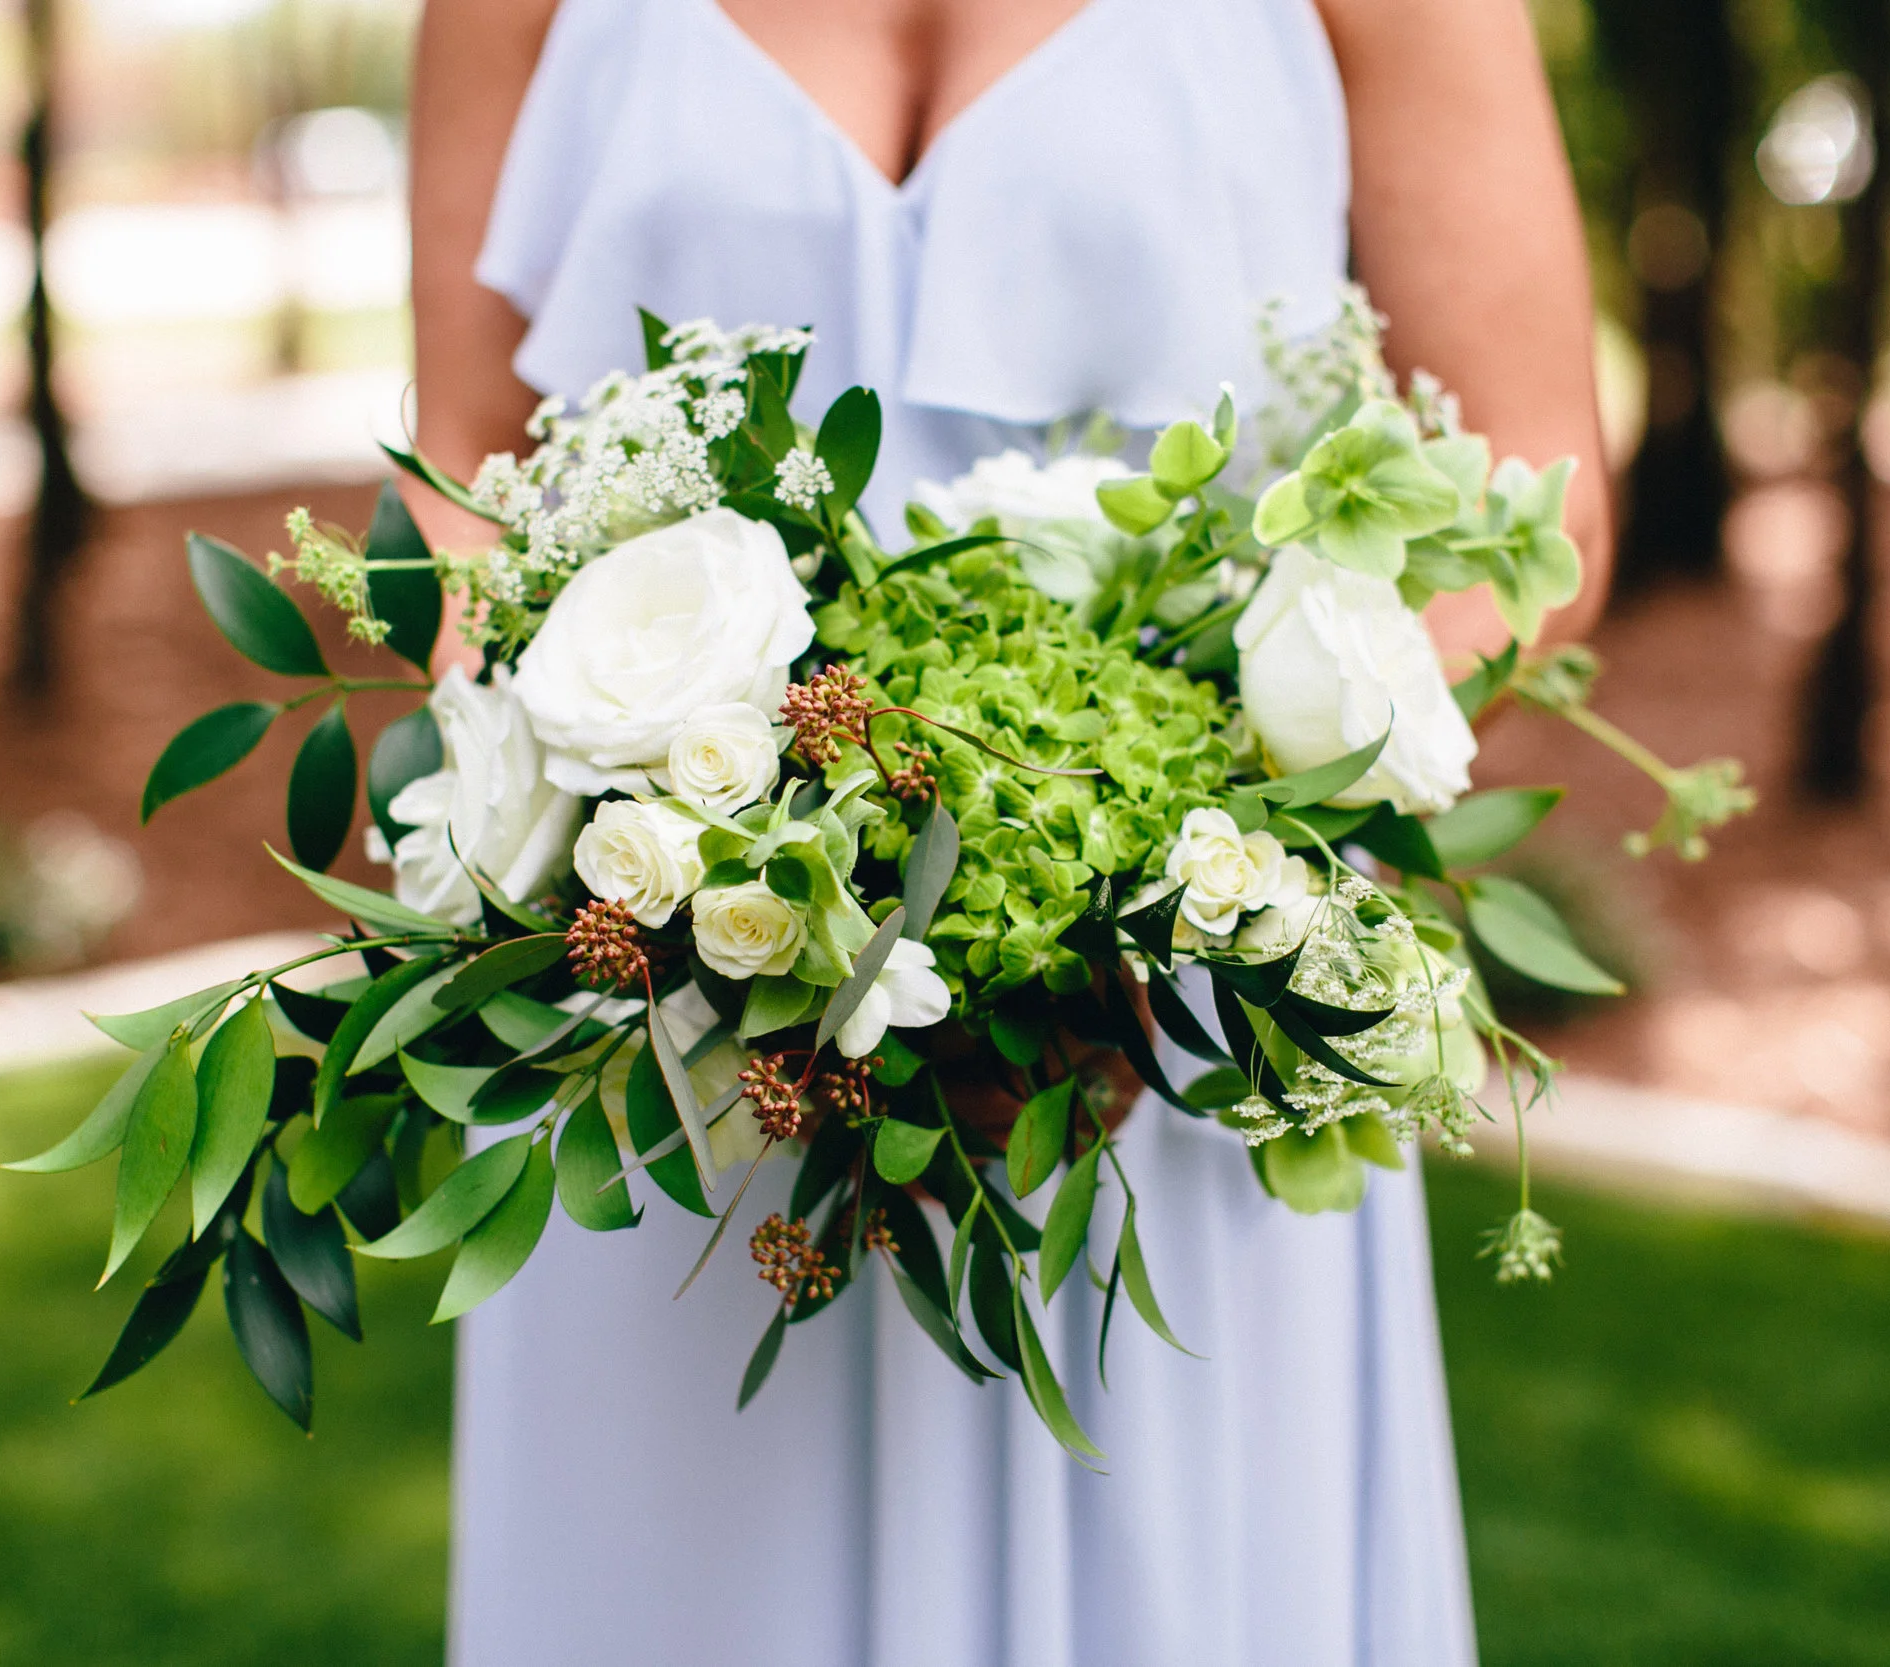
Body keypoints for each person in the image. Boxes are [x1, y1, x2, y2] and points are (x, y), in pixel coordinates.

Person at [407, 3, 1610, 1663]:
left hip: (1173, 1045)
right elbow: (461, 475)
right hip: (688, 1051)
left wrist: (1166, 851)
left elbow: (1534, 491)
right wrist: (662, 821)